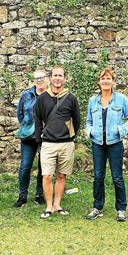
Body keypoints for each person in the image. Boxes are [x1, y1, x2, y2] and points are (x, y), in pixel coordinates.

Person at [85, 67, 128, 221]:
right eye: (103, 78)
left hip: (115, 143)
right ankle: (97, 207)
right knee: (98, 176)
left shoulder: (121, 99)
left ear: (113, 81)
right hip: (98, 143)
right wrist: (90, 131)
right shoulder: (93, 101)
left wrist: (122, 130)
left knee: (117, 177)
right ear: (99, 82)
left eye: (108, 78)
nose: (105, 81)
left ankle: (121, 209)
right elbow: (88, 121)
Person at [34, 66, 80, 219]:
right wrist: (39, 140)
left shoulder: (71, 98)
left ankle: (57, 204)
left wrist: (70, 136)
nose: (58, 78)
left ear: (64, 78)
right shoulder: (42, 98)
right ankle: (48, 206)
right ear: (50, 78)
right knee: (46, 176)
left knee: (61, 175)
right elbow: (38, 120)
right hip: (48, 143)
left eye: (60, 75)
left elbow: (77, 120)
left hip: (66, 143)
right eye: (55, 75)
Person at [13, 69, 48, 208]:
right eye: (37, 78)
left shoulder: (51, 95)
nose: (39, 80)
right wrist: (27, 125)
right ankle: (22, 196)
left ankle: (40, 194)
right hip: (28, 136)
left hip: (46, 136)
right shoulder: (26, 95)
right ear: (34, 80)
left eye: (42, 77)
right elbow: (20, 113)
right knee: (25, 166)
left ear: (46, 78)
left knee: (43, 166)